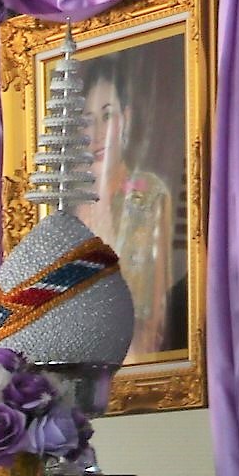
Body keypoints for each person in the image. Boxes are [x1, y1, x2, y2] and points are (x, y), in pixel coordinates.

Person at [76, 60, 173, 360]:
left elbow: (156, 305)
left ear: (126, 118)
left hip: (137, 359)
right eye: (87, 120)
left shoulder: (148, 195)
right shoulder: (71, 208)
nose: (97, 134)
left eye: (108, 116)